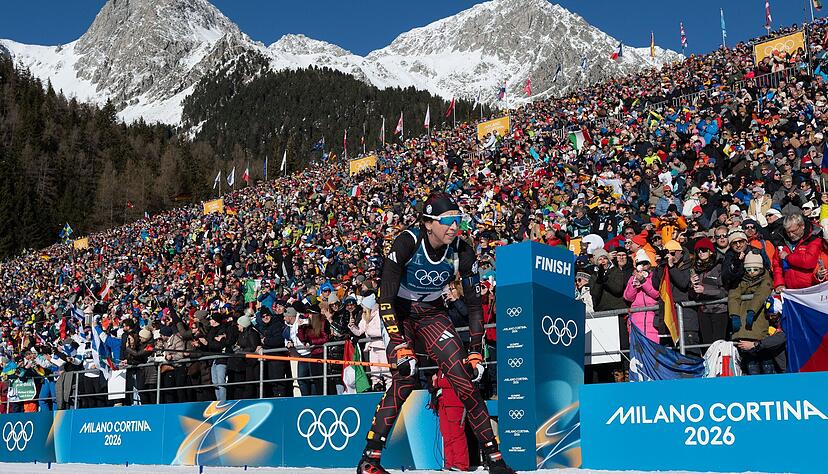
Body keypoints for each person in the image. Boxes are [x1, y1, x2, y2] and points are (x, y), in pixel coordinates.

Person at [356, 193, 515, 474]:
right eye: (448, 220)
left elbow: (475, 306)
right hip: (400, 313)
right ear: (429, 223)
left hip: (431, 313)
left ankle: (495, 460)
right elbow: (385, 298)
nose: (455, 227)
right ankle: (370, 460)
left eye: (459, 220)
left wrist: (476, 350)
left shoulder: (462, 252)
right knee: (405, 379)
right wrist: (399, 344)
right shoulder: (407, 241)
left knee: (463, 378)